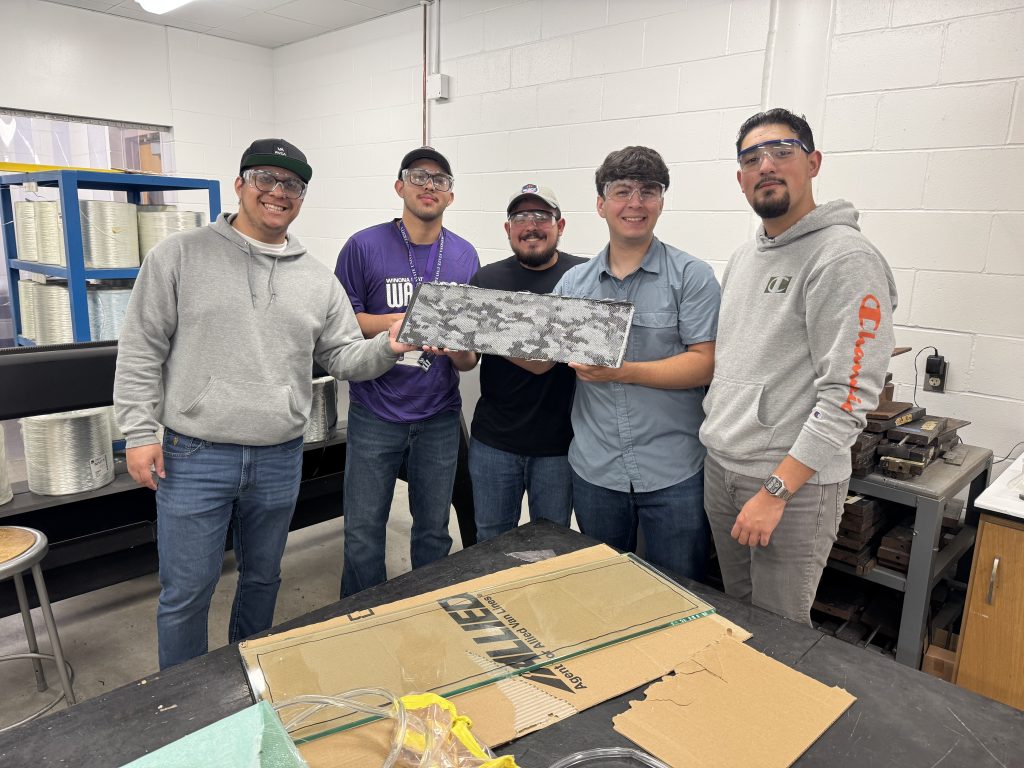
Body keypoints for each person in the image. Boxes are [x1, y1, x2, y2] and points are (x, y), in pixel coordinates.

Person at [114, 139, 412, 669]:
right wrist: (138, 432)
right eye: (265, 179)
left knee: (263, 579)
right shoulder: (178, 256)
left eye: (292, 184)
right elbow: (141, 348)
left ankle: (247, 678)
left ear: (302, 197)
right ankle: (184, 700)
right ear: (240, 184)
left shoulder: (317, 279)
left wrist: (389, 346)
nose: (278, 192)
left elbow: (343, 356)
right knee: (187, 591)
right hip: (194, 455)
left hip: (279, 456)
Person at [701, 108, 898, 625]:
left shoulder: (844, 258)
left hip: (789, 485)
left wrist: (776, 491)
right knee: (739, 617)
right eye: (751, 158)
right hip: (723, 469)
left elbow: (849, 396)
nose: (765, 165)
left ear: (812, 163)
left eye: (781, 151)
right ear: (740, 179)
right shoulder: (744, 258)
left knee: (780, 629)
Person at [516, 147, 720, 581]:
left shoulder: (692, 276)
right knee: (606, 592)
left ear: (661, 202)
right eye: (622, 191)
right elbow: (540, 361)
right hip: (597, 471)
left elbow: (704, 364)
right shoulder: (574, 284)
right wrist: (473, 330)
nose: (635, 203)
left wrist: (623, 371)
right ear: (601, 204)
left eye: (649, 191)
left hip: (674, 472)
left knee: (680, 591)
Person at [334, 146, 479, 597]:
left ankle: (426, 611)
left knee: (434, 530)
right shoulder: (363, 246)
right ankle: (361, 617)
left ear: (450, 196)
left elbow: (470, 358)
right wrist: (407, 324)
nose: (429, 186)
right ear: (400, 187)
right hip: (374, 411)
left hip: (439, 414)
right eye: (419, 177)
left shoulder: (465, 256)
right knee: (363, 532)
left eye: (440, 180)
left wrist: (456, 348)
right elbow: (345, 321)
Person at [467, 184, 587, 541]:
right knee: (489, 543)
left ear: (560, 225)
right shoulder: (486, 279)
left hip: (560, 446)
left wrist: (486, 328)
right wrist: (453, 343)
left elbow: (543, 363)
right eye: (520, 217)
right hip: (493, 443)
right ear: (508, 228)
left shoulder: (581, 277)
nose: (531, 225)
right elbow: (468, 358)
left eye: (541, 216)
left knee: (550, 547)